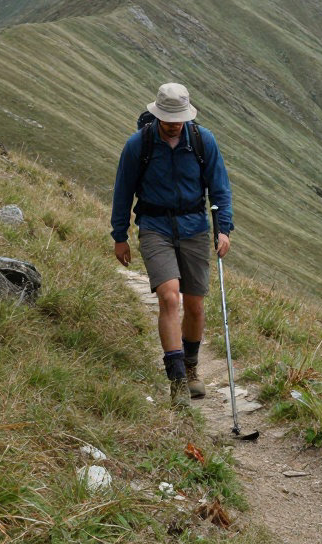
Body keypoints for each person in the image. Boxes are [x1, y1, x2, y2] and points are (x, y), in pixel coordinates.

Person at [112, 83, 233, 408]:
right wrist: (120, 235)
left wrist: (223, 229)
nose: (174, 124)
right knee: (169, 297)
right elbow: (123, 190)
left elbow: (220, 188)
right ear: (157, 115)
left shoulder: (202, 141)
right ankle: (177, 380)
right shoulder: (139, 145)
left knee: (194, 305)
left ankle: (191, 367)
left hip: (194, 228)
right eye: (168, 119)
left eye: (179, 119)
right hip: (155, 228)